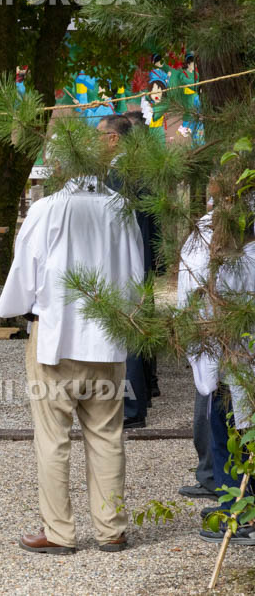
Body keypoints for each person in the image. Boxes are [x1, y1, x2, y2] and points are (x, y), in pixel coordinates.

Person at [0, 173, 144, 554]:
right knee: (107, 435)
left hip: (56, 340)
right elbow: (136, 275)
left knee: (53, 438)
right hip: (108, 338)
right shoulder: (121, 209)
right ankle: (111, 529)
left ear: (61, 166)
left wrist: (18, 311)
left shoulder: (47, 209)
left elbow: (23, 274)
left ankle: (59, 533)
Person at [177, 210, 255, 544]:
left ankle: (237, 513)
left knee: (227, 432)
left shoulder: (211, 240)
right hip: (239, 354)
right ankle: (233, 503)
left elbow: (193, 301)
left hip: (231, 357)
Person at [97, 113, 160, 428]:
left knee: (128, 332)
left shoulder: (119, 175)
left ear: (113, 138)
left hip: (125, 262)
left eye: (99, 135)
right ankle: (139, 396)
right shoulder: (135, 171)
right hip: (140, 259)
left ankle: (131, 408)